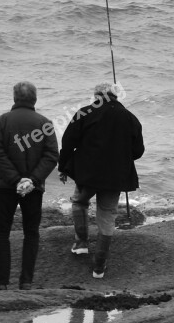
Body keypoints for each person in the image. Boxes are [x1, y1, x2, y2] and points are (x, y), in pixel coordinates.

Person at [58, 82, 144, 278]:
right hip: (115, 176)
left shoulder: (84, 113)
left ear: (96, 96)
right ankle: (99, 266)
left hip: (88, 174)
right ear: (116, 97)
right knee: (107, 214)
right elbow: (138, 151)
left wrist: (63, 166)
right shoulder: (130, 118)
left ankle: (81, 243)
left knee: (79, 202)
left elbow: (68, 142)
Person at [0, 81, 59, 290]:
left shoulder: (1, 122)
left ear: (14, 98)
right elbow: (51, 155)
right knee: (31, 232)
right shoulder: (45, 124)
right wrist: (32, 180)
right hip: (34, 188)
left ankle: (1, 282)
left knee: (2, 231)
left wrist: (15, 180)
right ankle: (26, 282)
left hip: (6, 186)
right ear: (35, 99)